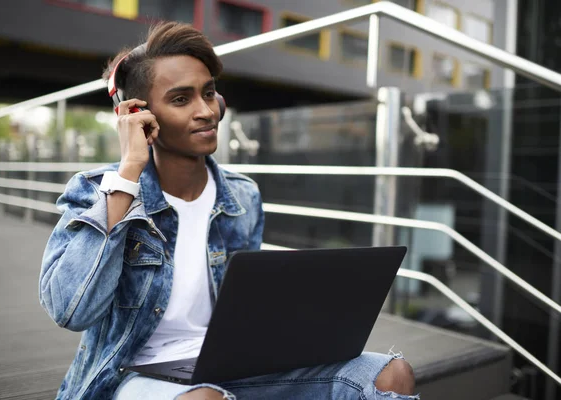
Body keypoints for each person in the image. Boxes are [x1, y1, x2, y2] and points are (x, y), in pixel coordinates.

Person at [39, 20, 419, 400]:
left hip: (227, 366)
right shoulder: (95, 191)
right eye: (181, 99)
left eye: (209, 93)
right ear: (138, 114)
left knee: (390, 374)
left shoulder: (242, 195)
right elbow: (71, 310)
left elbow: (244, 309)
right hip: (126, 377)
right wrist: (127, 177)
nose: (206, 110)